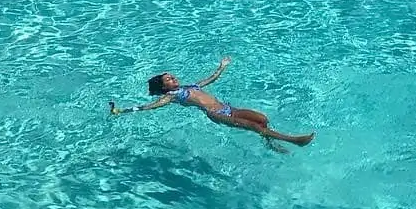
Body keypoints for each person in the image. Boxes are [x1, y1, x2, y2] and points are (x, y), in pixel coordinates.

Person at [109, 55, 315, 151]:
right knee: (254, 126)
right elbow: (149, 107)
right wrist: (121, 110)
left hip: (229, 108)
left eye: (172, 76)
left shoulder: (191, 86)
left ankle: (270, 143)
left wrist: (222, 66)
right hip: (216, 114)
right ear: (164, 87)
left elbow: (210, 79)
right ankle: (295, 140)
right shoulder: (171, 96)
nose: (173, 78)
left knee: (262, 119)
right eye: (168, 79)